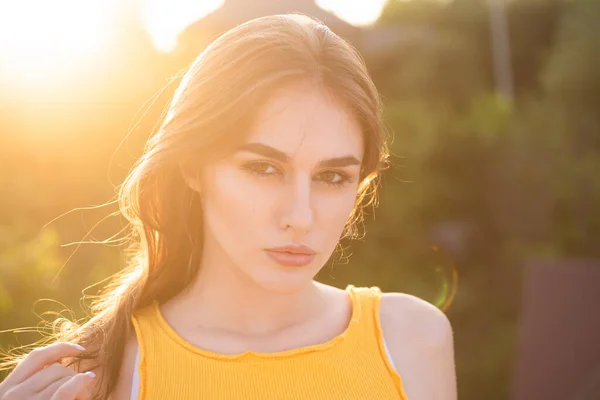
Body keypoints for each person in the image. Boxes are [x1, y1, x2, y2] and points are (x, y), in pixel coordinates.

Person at [0, 13, 456, 400]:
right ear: (193, 167)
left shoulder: (411, 339)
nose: (300, 215)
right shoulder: (104, 373)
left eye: (332, 177)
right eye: (262, 168)